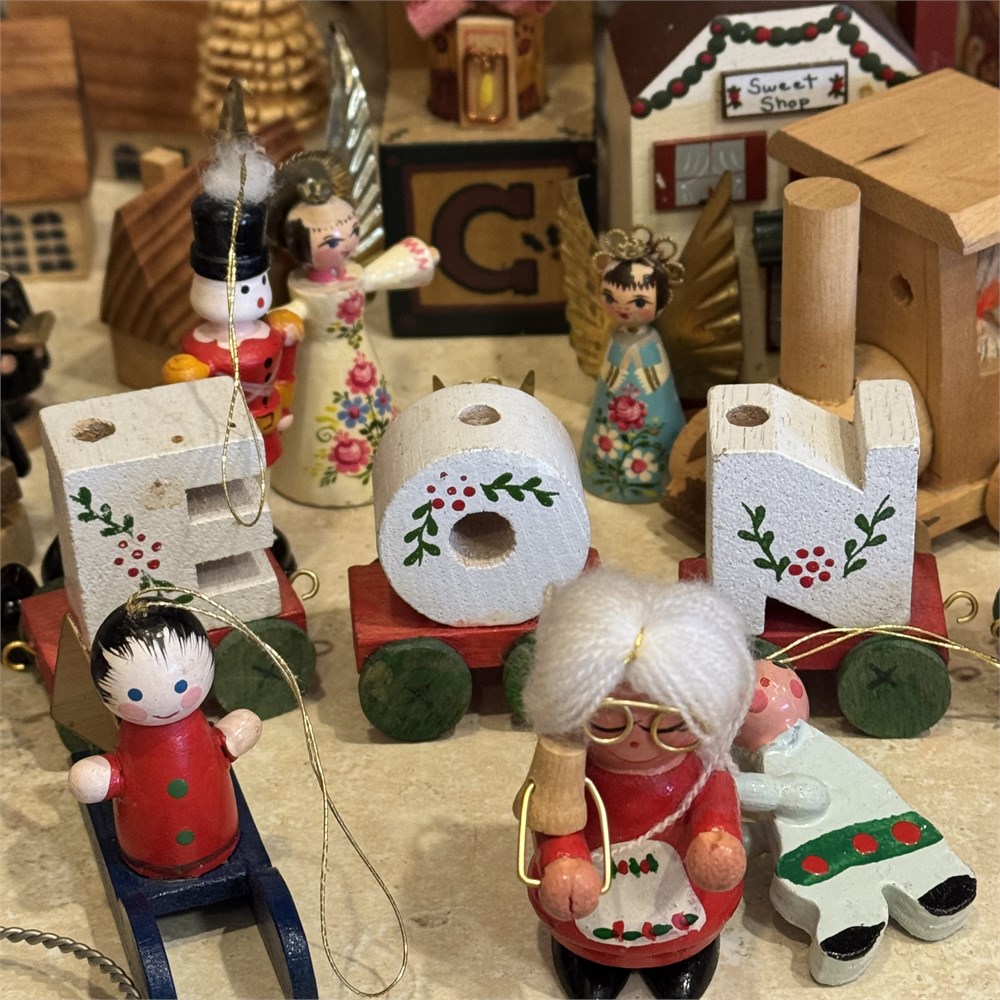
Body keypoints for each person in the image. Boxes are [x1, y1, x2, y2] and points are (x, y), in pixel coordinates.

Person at [519, 568, 754, 999]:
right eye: (611, 719)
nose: (637, 738)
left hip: (686, 909)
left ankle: (682, 957)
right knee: (585, 938)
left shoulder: (701, 769)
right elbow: (553, 820)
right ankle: (592, 961)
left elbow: (715, 803)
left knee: (687, 930)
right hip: (584, 917)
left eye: (671, 724)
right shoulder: (568, 767)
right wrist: (563, 859)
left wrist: (716, 836)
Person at [734, 657, 977, 986]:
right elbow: (774, 827)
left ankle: (933, 886)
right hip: (840, 839)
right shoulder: (791, 750)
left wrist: (731, 787)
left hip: (858, 829)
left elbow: (806, 797)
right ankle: (851, 925)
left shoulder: (793, 752)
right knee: (842, 890)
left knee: (887, 866)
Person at [265, 151, 438, 508]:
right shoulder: (304, 287)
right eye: (330, 241)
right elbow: (288, 317)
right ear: (296, 244)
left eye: (352, 232)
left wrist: (419, 260)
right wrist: (284, 322)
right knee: (316, 417)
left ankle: (383, 470)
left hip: (359, 356)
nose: (344, 244)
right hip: (316, 360)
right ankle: (314, 479)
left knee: (374, 413)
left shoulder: (357, 275)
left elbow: (390, 270)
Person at [68, 600, 261, 880]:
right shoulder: (135, 740)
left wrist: (231, 735)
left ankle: (219, 846)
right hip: (147, 853)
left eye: (182, 685)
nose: (164, 702)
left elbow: (225, 743)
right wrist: (101, 777)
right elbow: (116, 775)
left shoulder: (195, 730)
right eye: (134, 695)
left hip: (220, 835)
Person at [578, 227, 686, 503]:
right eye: (611, 298)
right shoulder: (616, 339)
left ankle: (659, 478)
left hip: (651, 408)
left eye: (638, 302)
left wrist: (647, 378)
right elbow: (608, 375)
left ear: (662, 301)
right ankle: (602, 474)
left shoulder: (651, 343)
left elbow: (658, 379)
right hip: (612, 409)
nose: (623, 308)